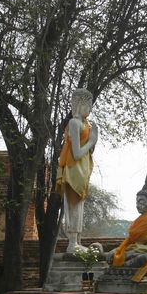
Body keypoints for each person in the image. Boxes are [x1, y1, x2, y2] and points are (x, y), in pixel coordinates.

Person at [55, 89, 98, 253]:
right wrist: (92, 140)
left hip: (82, 170)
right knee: (72, 204)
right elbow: (78, 152)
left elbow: (87, 151)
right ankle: (72, 242)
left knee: (79, 205)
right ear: (80, 104)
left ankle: (77, 240)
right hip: (74, 170)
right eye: (87, 105)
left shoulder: (86, 124)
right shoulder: (74, 123)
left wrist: (93, 143)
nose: (89, 109)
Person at [108, 175, 147, 282]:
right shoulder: (139, 220)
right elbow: (131, 241)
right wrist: (122, 250)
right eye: (137, 202)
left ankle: (121, 267)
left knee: (144, 258)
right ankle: (121, 265)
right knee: (111, 255)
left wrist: (134, 250)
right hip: (134, 249)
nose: (137, 205)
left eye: (141, 202)